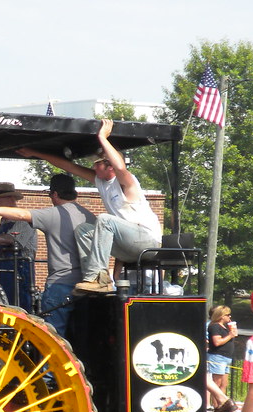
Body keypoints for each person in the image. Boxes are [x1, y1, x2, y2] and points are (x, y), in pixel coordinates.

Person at [17, 119, 161, 294]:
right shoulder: (101, 181)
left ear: (109, 167)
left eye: (98, 162)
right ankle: (93, 279)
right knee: (83, 230)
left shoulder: (126, 182)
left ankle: (98, 277)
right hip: (126, 246)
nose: (93, 165)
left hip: (146, 241)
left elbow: (121, 167)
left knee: (105, 219)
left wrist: (103, 138)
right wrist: (35, 153)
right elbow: (68, 166)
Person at [0, 173, 95, 336]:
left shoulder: (37, 217)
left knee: (51, 336)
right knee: (77, 334)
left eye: (0, 200)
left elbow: (15, 239)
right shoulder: (90, 216)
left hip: (39, 281)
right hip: (85, 285)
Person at [0, 182, 36, 312]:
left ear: (12, 199)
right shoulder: (3, 223)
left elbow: (9, 239)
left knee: (18, 305)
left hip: (19, 270)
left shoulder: (23, 219)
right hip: (1, 269)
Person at [207, 305, 239, 412]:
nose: (229, 317)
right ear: (221, 316)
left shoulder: (225, 327)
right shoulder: (215, 326)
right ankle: (217, 406)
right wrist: (229, 335)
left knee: (224, 383)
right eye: (227, 315)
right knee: (217, 382)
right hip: (217, 356)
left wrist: (232, 333)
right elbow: (217, 342)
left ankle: (223, 404)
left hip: (226, 357)